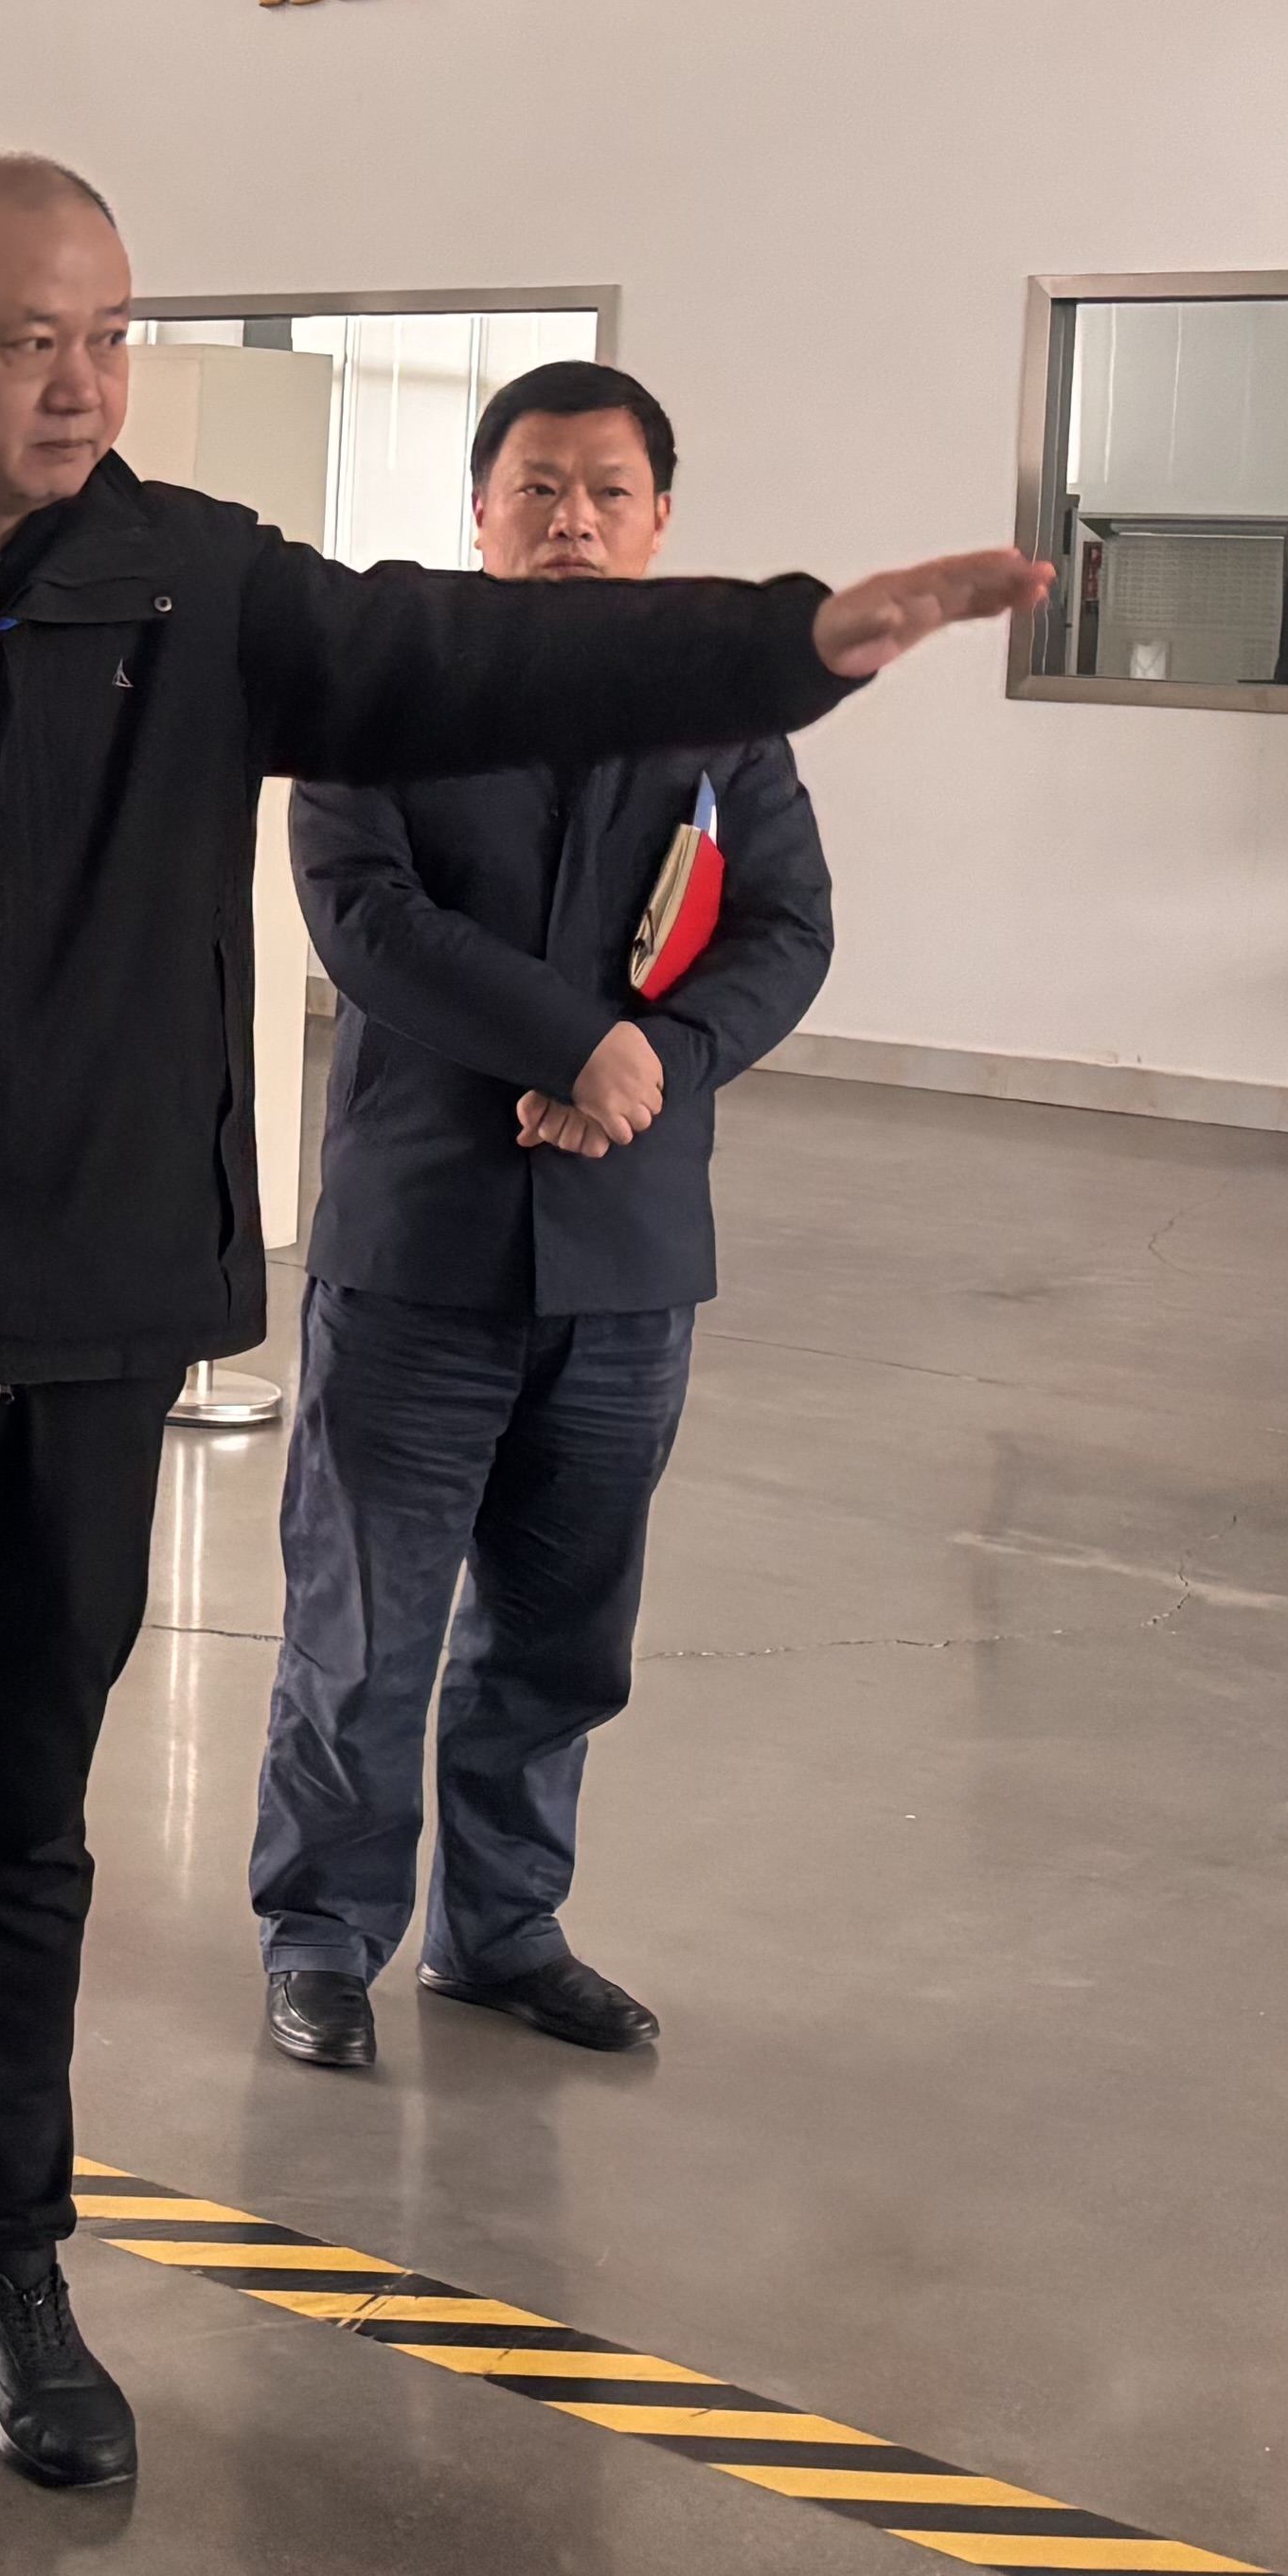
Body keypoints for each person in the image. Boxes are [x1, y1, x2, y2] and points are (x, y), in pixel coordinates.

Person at [0, 154, 1044, 2518]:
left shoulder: (198, 589)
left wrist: (789, 645)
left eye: (110, 335)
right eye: (29, 339)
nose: (82, 383)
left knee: (20, 1835)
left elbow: (480, 659)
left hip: (86, 1330)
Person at [250, 358, 833, 2076]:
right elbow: (363, 915)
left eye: (608, 492)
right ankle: (322, 1934)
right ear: (481, 511)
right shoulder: (383, 703)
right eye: (539, 489)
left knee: (563, 1634)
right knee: (365, 1626)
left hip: (626, 1257)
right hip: (422, 1242)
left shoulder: (723, 716)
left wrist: (654, 1061)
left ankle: (503, 1931)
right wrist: (569, 1042)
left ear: (661, 518)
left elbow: (787, 928)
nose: (573, 520)